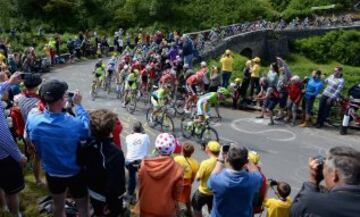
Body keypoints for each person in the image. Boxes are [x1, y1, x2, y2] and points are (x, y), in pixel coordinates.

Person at [26, 80, 90, 217]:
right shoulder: (74, 124)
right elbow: (87, 130)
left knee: (58, 207)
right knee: (83, 207)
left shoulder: (33, 120)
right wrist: (78, 106)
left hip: (52, 173)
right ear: (62, 100)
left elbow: (30, 133)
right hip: (75, 173)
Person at [78, 109, 126, 217]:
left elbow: (81, 165)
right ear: (111, 129)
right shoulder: (115, 153)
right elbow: (116, 183)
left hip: (92, 191)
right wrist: (112, 203)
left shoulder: (85, 145)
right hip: (106, 198)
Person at [290, 146, 360, 217]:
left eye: (325, 168)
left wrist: (312, 181)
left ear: (334, 175)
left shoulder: (311, 205)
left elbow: (296, 211)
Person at [208, 144, 262, 217]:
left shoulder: (216, 180)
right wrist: (247, 159)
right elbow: (257, 173)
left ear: (226, 159)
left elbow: (211, 180)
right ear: (245, 161)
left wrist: (221, 157)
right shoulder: (254, 180)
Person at [0, 72, 27, 217]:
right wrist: (19, 156)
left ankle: (4, 207)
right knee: (12, 191)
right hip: (4, 157)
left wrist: (8, 83)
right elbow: (3, 137)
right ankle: (16, 214)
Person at [138, 133, 183, 217]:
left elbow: (141, 181)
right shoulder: (177, 170)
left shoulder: (144, 164)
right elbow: (176, 194)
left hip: (145, 206)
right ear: (172, 149)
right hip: (165, 210)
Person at [13, 74, 43, 185]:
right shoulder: (38, 101)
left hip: (26, 129)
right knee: (38, 158)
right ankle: (38, 180)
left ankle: (36, 176)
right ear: (37, 86)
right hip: (37, 132)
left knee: (33, 154)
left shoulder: (19, 97)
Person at [192, 141, 220, 217]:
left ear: (208, 149)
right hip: (215, 193)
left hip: (203, 192)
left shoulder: (205, 163)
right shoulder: (222, 163)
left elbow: (198, 178)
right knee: (213, 211)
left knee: (196, 206)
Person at [125, 121, 150, 204]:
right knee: (142, 178)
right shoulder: (145, 136)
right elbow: (148, 144)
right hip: (141, 162)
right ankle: (143, 196)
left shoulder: (128, 137)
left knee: (132, 178)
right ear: (141, 129)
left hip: (129, 162)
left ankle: (130, 194)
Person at [174, 143, 200, 217]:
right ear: (192, 152)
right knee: (187, 199)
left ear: (182, 150)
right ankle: (189, 212)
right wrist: (190, 182)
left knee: (175, 197)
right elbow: (193, 176)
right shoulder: (195, 163)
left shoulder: (177, 158)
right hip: (187, 183)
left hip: (177, 180)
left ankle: (176, 212)